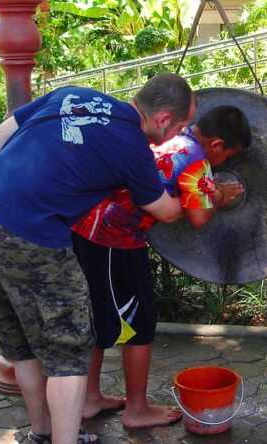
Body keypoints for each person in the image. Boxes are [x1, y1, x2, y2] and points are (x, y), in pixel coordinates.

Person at [0, 73, 196, 444]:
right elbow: (166, 211)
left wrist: (2, 196)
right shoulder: (131, 145)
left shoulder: (74, 94)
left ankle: (41, 434)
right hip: (32, 236)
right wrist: (203, 196)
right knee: (69, 354)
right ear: (164, 118)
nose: (178, 136)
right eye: (181, 127)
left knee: (20, 344)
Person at [70, 105, 251, 428]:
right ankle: (136, 410)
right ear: (218, 145)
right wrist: (219, 197)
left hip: (88, 227)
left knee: (97, 316)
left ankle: (89, 399)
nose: (224, 163)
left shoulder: (172, 139)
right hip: (113, 237)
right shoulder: (197, 161)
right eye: (228, 156)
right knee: (140, 322)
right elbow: (199, 218)